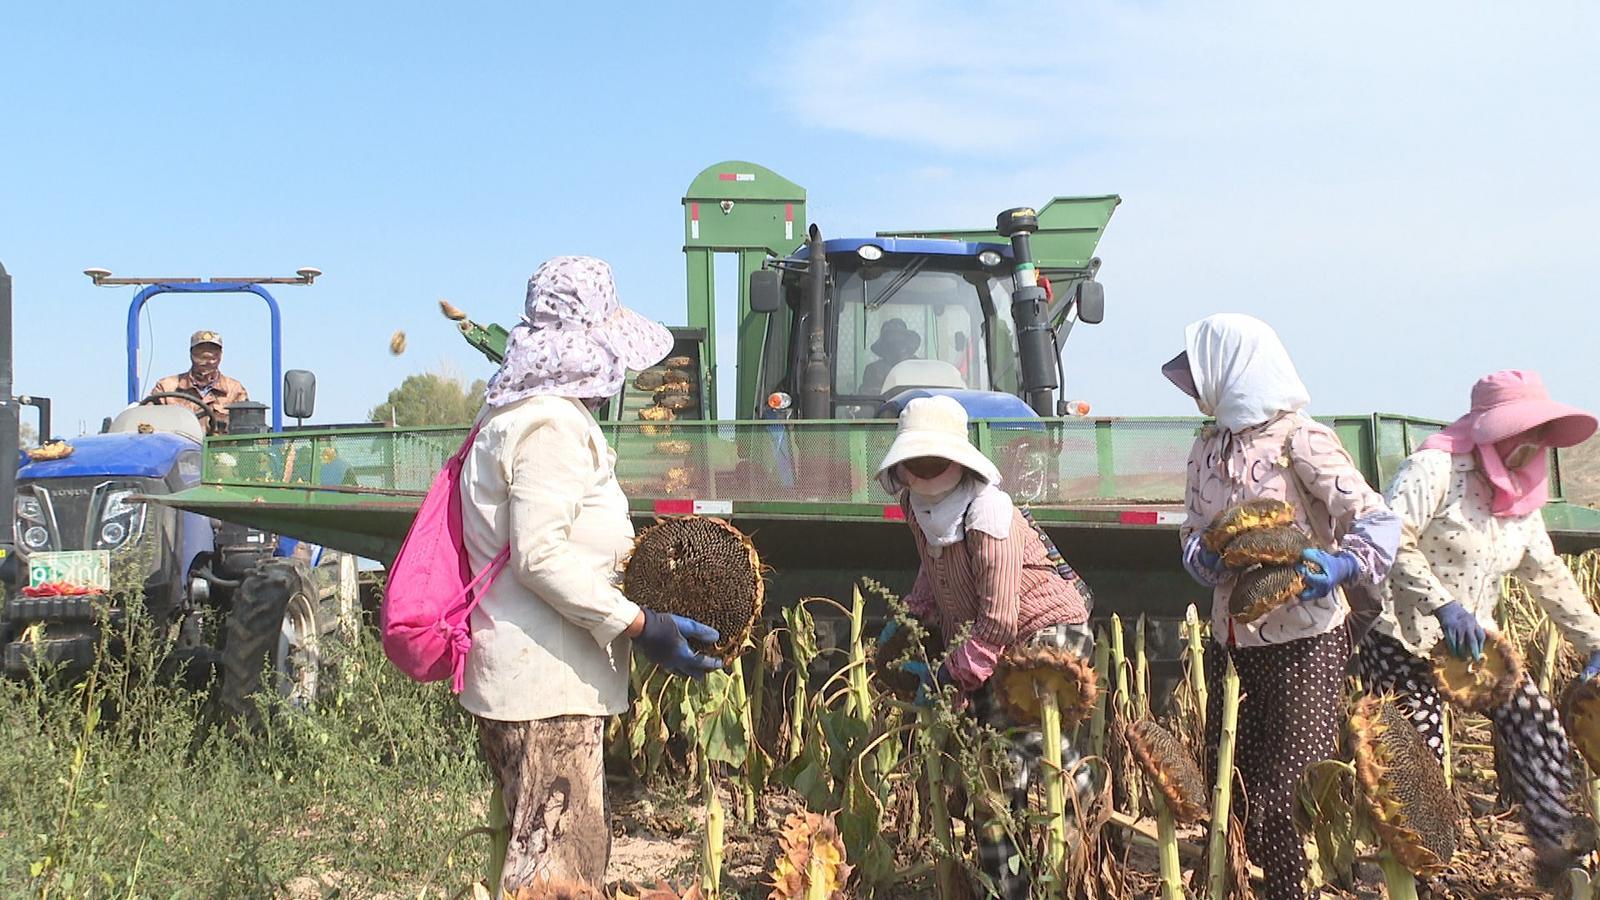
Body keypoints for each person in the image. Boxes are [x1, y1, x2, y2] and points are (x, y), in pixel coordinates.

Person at [457, 255, 723, 893]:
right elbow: (540, 555)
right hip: (547, 686)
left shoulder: (518, 415)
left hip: (533, 678)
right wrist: (638, 623)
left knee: (535, 860)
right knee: (558, 875)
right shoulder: (550, 425)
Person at [1166, 313, 1400, 900]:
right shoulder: (1205, 447)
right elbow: (1192, 528)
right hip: (1233, 640)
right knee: (1237, 785)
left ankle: (1293, 891)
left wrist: (1345, 564)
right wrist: (1203, 557)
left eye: (1201, 373)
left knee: (1289, 791)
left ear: (1235, 369)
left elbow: (1375, 518)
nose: (1196, 389)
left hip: (1306, 642)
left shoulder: (1302, 439)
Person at [1355, 369, 1600, 884]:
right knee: (1415, 765)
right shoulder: (1433, 470)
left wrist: (1595, 640)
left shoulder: (1521, 501)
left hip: (1476, 646)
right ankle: (1420, 882)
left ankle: (1555, 853)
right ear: (1489, 433)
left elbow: (1548, 575)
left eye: (1537, 438)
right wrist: (1442, 605)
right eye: (1519, 436)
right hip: (1404, 636)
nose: (1528, 448)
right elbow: (1391, 543)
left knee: (1539, 728)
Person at [875, 394, 1095, 900]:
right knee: (994, 759)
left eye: (933, 459)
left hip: (1045, 628)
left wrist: (950, 675)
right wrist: (909, 615)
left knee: (1015, 750)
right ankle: (1008, 882)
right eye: (914, 461)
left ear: (958, 460)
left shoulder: (989, 512)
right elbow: (932, 572)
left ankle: (1085, 842)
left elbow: (999, 619)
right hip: (986, 638)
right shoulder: (916, 505)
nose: (924, 470)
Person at [147, 330, 249, 434]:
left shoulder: (235, 390)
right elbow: (144, 421)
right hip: (178, 448)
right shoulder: (166, 388)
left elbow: (247, 428)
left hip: (219, 449)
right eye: (201, 354)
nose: (207, 360)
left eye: (213, 354)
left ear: (220, 356)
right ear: (191, 354)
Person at [859, 318, 921, 395]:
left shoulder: (918, 367)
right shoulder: (873, 370)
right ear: (884, 344)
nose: (896, 342)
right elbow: (867, 399)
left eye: (899, 339)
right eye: (891, 339)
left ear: (906, 342)